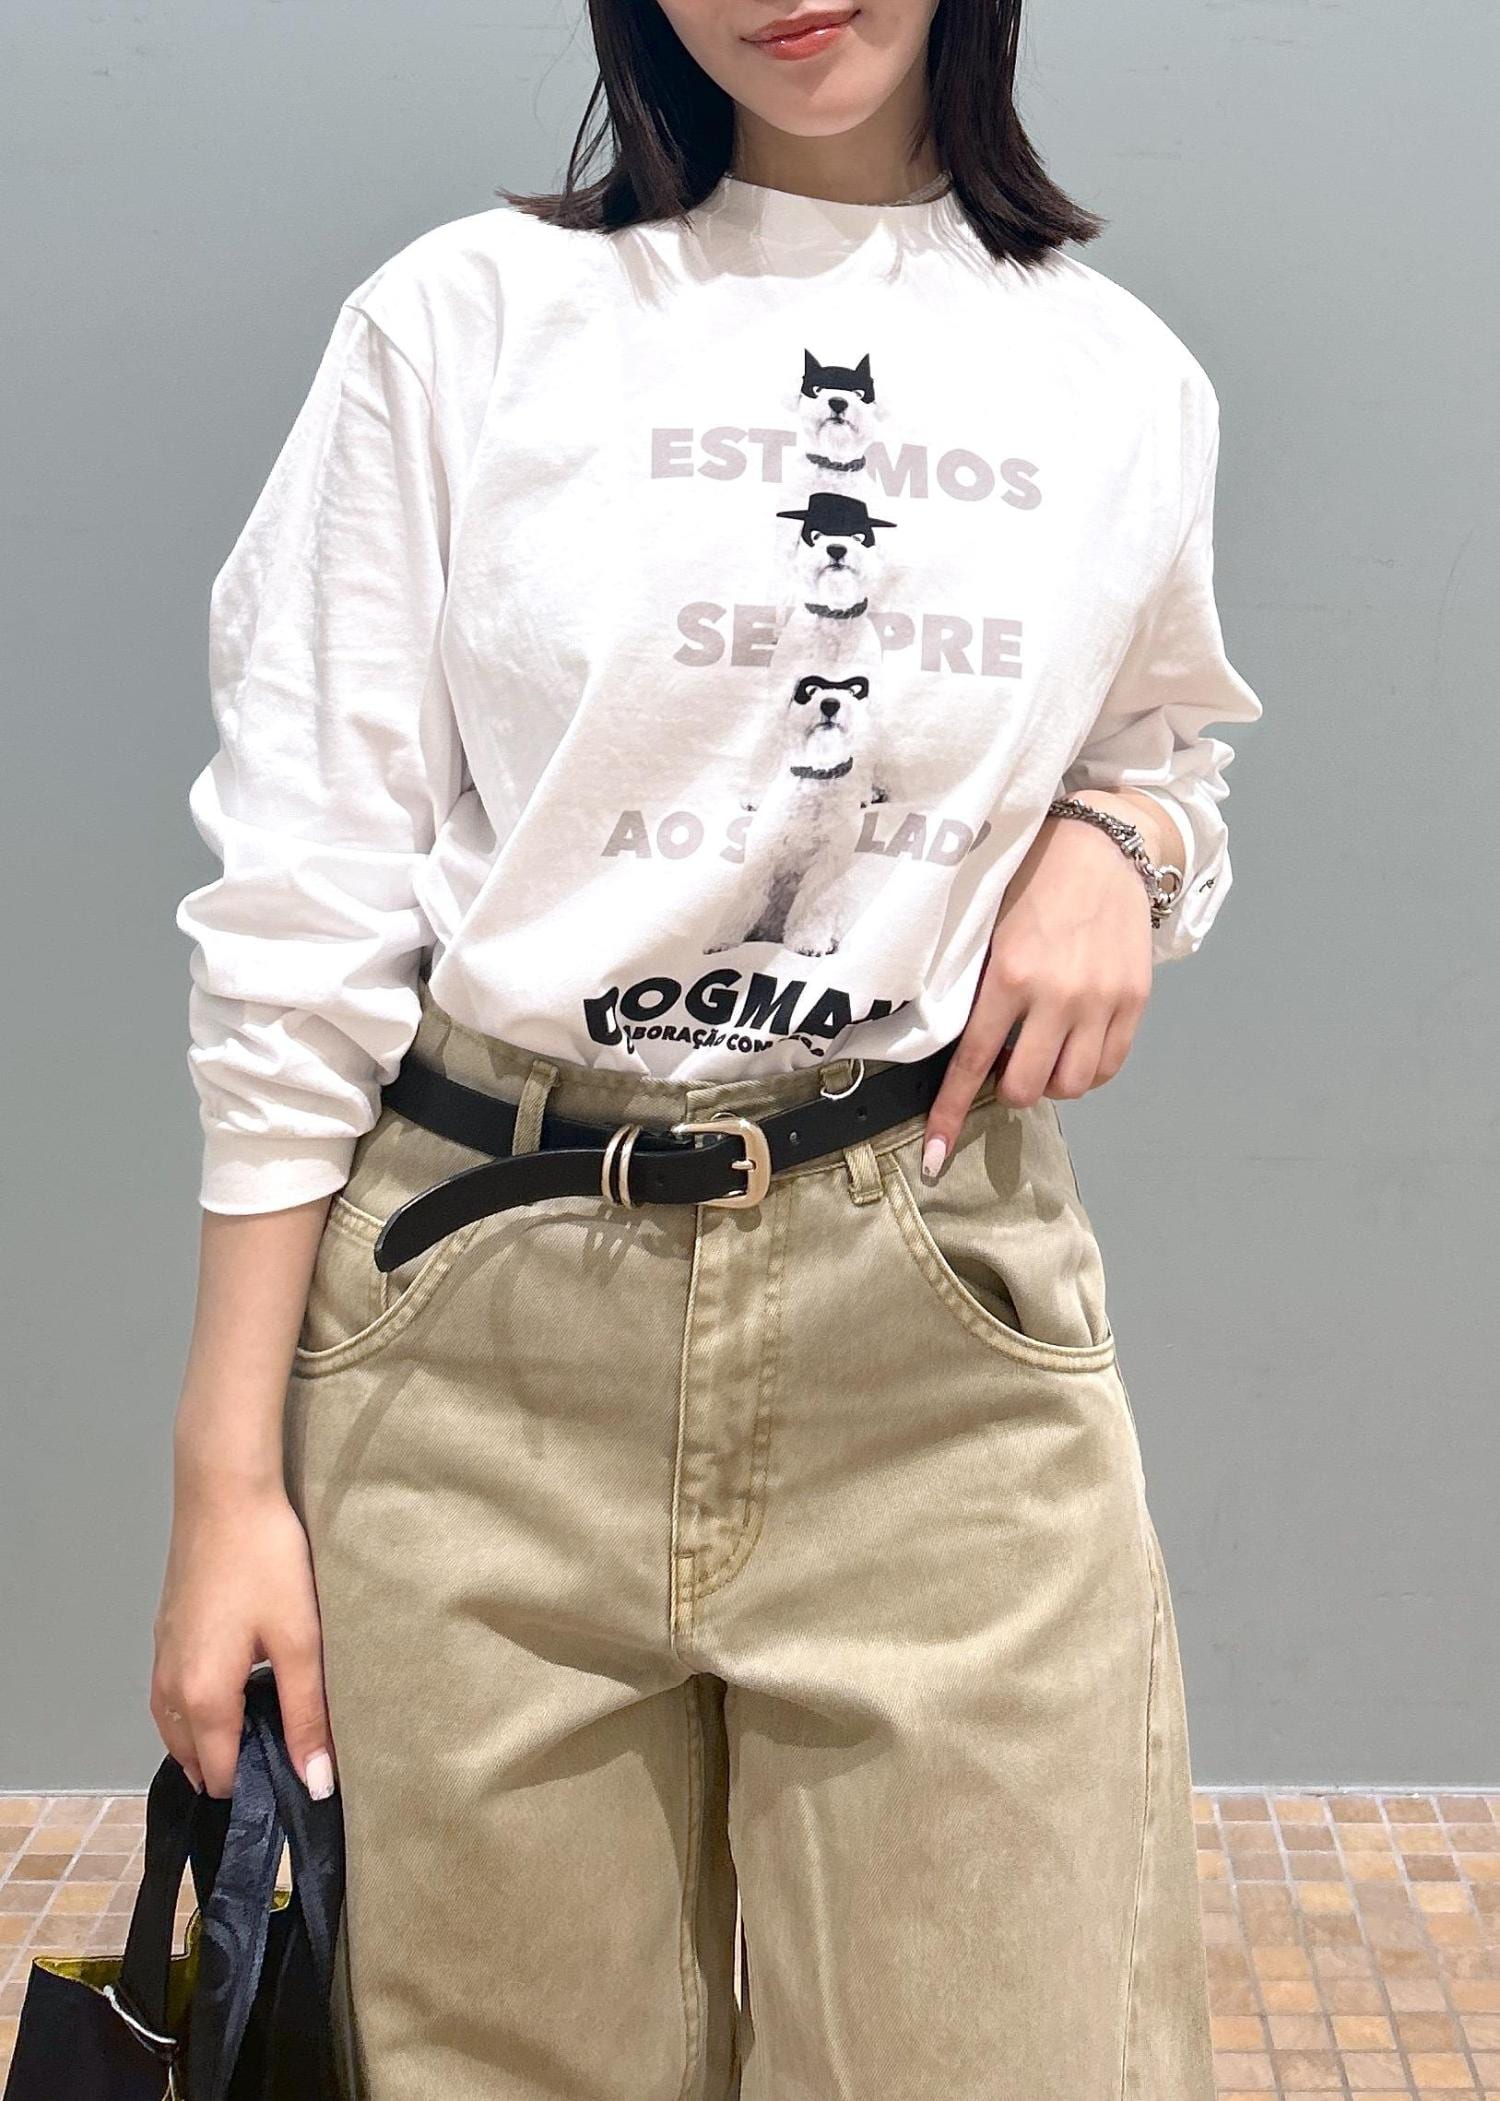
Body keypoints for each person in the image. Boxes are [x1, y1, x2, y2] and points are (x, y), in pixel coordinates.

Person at [157, 1, 1262, 2094]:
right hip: (479, 1330)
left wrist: (1126, 841)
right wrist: (227, 1487)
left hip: (928, 1315)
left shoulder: (1119, 380)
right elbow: (298, 920)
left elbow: (1162, 743)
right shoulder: (461, 327)